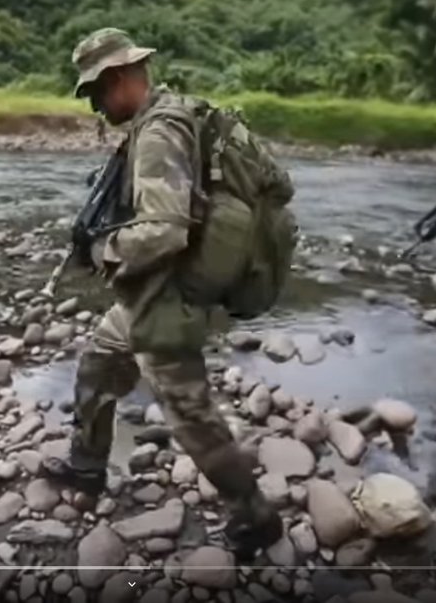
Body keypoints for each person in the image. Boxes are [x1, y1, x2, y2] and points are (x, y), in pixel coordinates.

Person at [41, 28, 286, 560]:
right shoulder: (172, 112)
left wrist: (104, 251)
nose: (96, 107)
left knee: (190, 414)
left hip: (170, 289)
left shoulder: (157, 133)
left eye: (97, 93)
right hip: (157, 286)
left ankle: (256, 516)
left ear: (122, 78)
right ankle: (87, 465)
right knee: (101, 358)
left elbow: (165, 230)